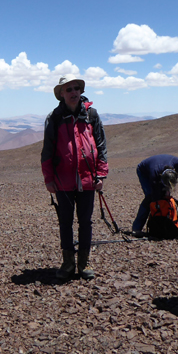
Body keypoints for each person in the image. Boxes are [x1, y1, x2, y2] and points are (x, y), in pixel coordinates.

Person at [41, 75, 108, 280]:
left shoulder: (91, 115)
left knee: (86, 222)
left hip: (88, 179)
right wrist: (49, 179)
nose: (73, 92)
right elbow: (47, 151)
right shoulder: (55, 117)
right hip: (63, 181)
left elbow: (101, 145)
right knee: (65, 222)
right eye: (68, 89)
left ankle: (84, 262)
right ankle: (68, 262)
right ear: (61, 94)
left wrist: (101, 174)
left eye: (76, 88)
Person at [130, 155, 178, 236]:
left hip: (159, 169)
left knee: (163, 196)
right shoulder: (154, 173)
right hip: (143, 170)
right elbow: (155, 194)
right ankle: (137, 228)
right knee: (150, 197)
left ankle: (166, 224)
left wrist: (167, 191)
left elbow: (172, 179)